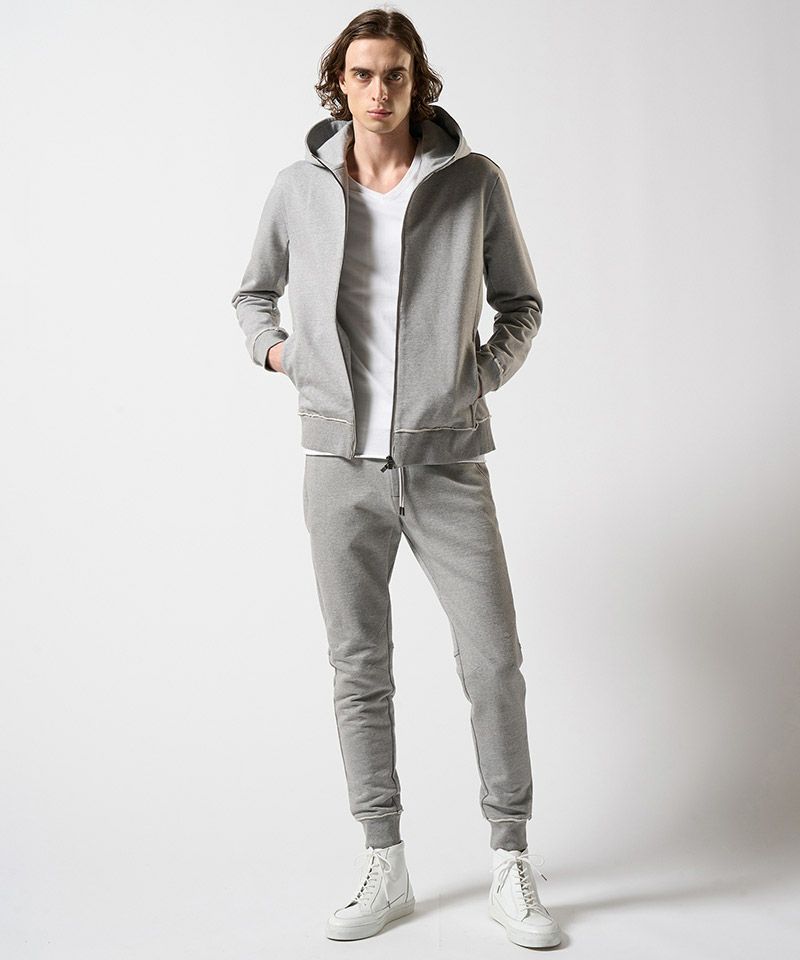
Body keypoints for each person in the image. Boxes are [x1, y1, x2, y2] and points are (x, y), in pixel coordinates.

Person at [231, 7, 561, 950]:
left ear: (420, 83)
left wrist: (474, 380)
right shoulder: (299, 188)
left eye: (396, 75)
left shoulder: (471, 181)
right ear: (339, 83)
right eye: (364, 74)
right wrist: (282, 355)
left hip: (447, 460)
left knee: (492, 661)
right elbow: (252, 293)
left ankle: (511, 857)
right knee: (359, 667)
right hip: (338, 467)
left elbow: (522, 303)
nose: (380, 91)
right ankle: (385, 859)